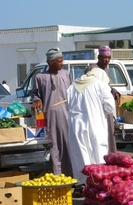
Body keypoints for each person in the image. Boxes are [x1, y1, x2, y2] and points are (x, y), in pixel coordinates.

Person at [67, 67, 115, 197]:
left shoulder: (72, 87)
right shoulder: (101, 85)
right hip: (95, 125)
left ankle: (80, 185)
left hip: (75, 126)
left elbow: (68, 106)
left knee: (79, 154)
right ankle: (99, 185)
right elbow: (110, 107)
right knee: (98, 153)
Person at [31, 48, 73, 177]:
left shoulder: (66, 74)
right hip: (50, 117)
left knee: (69, 145)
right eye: (59, 61)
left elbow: (73, 93)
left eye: (62, 61)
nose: (62, 63)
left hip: (67, 115)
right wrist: (37, 100)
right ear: (50, 62)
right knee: (54, 146)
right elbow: (35, 94)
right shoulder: (39, 77)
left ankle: (72, 176)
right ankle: (57, 176)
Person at [85, 46, 120, 153]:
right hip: (96, 106)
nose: (107, 60)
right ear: (99, 57)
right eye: (105, 57)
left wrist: (114, 91)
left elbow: (106, 85)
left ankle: (110, 154)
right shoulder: (92, 69)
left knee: (109, 129)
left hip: (105, 105)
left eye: (109, 58)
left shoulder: (107, 70)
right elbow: (90, 86)